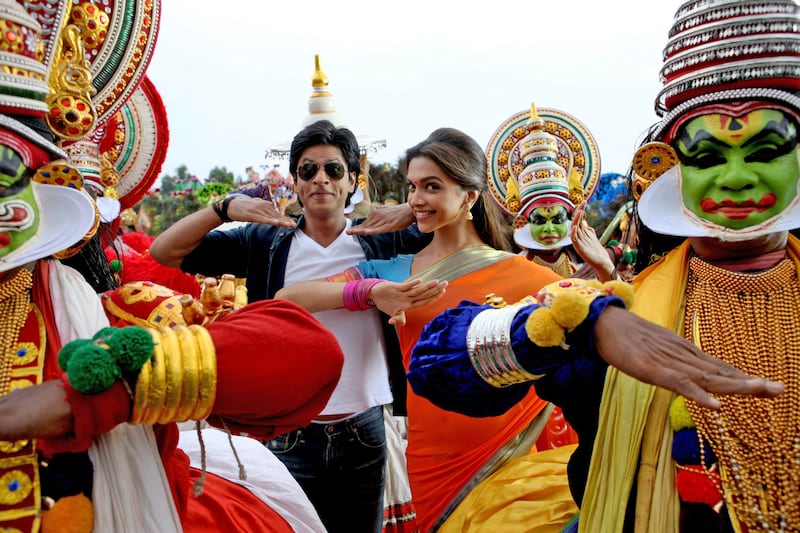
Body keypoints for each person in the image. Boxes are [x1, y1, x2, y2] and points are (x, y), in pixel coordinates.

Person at [406, 1, 800, 531]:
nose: (735, 178)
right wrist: (584, 322)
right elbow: (434, 366)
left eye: (765, 150)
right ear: (672, 168)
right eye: (707, 157)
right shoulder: (616, 309)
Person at [275, 127, 586, 532]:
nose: (416, 199)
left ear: (470, 196)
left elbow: (594, 325)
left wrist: (607, 272)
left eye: (431, 186)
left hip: (511, 449)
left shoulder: (524, 274)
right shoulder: (395, 272)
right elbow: (288, 298)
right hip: (430, 457)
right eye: (412, 187)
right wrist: (369, 290)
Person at [149, 119, 430, 533]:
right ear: (295, 182)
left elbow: (467, 222)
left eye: (334, 170)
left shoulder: (381, 239)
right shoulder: (265, 241)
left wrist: (412, 207)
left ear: (353, 181)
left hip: (364, 429)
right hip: (289, 431)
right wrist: (222, 209)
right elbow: (164, 251)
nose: (321, 180)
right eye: (307, 170)